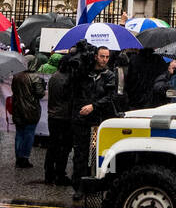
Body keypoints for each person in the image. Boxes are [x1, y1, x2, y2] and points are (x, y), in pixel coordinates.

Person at [71, 45, 125, 199]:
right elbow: (75, 84)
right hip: (82, 119)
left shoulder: (109, 75)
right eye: (102, 56)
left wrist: (93, 106)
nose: (104, 60)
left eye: (107, 57)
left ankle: (94, 184)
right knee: (80, 154)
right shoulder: (85, 72)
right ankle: (79, 186)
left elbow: (110, 96)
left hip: (98, 121)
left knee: (95, 154)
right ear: (96, 56)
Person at [10, 64, 47, 169]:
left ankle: (18, 158)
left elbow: (13, 90)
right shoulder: (36, 77)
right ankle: (25, 158)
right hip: (31, 110)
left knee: (19, 134)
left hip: (18, 109)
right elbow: (40, 94)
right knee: (29, 134)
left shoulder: (16, 77)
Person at [45, 54, 74, 186]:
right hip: (64, 117)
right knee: (64, 148)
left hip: (53, 116)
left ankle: (49, 173)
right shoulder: (68, 79)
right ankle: (60, 174)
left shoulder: (54, 76)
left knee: (53, 146)